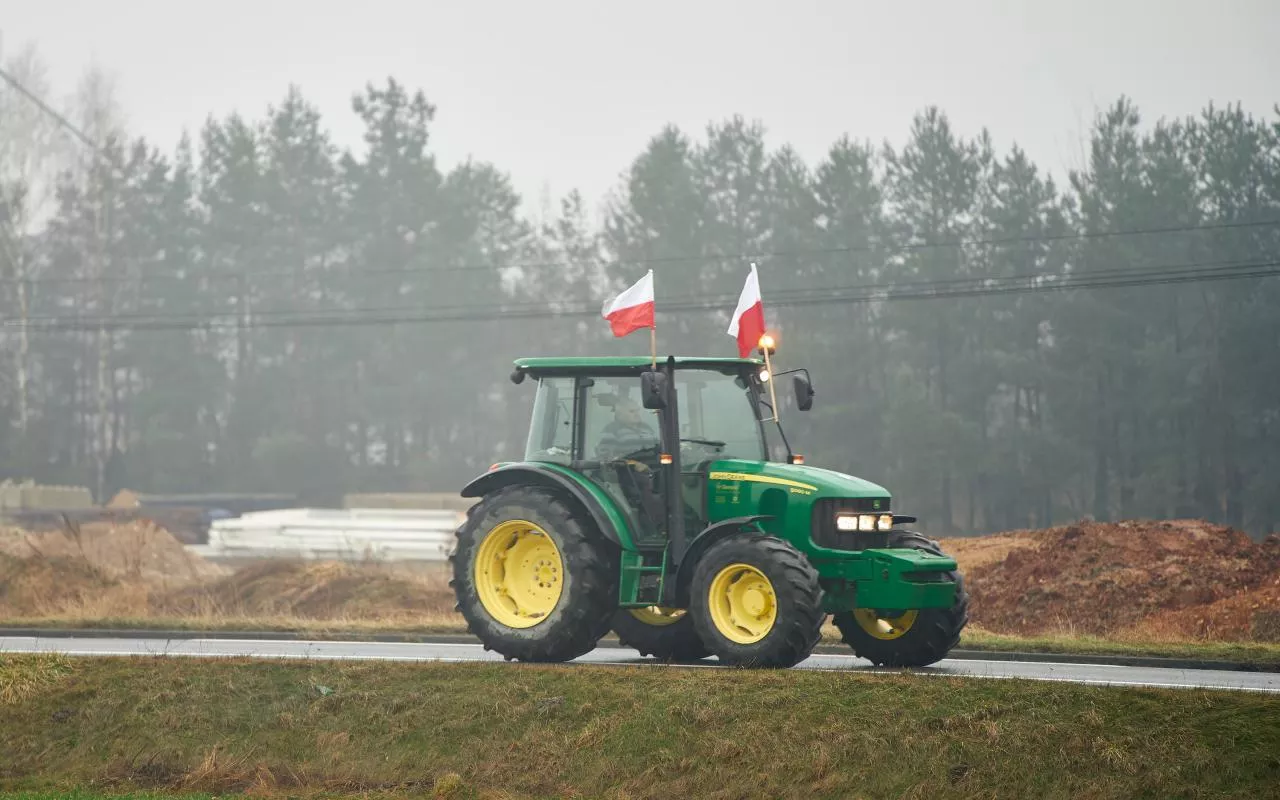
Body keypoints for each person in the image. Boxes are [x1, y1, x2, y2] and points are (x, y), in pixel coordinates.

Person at [596, 396, 658, 460]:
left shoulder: (647, 428)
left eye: (637, 410)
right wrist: (632, 463)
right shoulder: (612, 431)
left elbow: (658, 448)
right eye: (632, 411)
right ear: (620, 414)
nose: (637, 414)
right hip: (627, 469)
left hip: (653, 468)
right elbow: (605, 457)